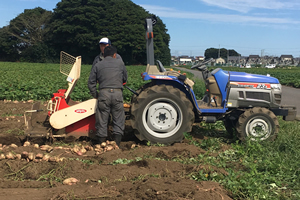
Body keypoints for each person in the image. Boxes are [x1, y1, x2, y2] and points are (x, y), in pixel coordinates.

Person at [88, 46, 128, 147]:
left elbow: (91, 82)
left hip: (103, 93)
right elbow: (125, 78)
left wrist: (95, 94)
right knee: (118, 118)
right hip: (117, 94)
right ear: (115, 55)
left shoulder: (98, 64)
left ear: (104, 55)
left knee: (102, 118)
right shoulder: (120, 63)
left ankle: (101, 143)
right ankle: (117, 144)